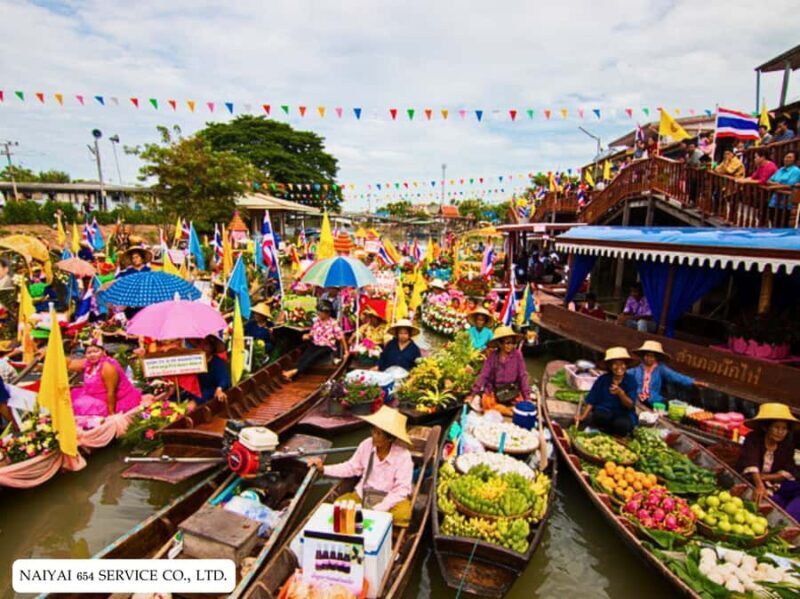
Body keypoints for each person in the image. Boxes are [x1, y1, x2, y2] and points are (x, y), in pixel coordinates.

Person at [312, 406, 414, 527]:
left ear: (390, 438)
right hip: (364, 494)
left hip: (390, 498)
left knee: (402, 515)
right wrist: (324, 469)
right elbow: (351, 467)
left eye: (379, 434)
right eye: (373, 431)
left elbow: (401, 489)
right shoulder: (366, 445)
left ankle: (393, 535)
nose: (374, 436)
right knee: (340, 506)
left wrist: (380, 508)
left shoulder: (403, 456)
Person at [737, 403, 799, 517]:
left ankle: (793, 518)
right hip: (753, 481)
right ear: (766, 427)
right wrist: (759, 484)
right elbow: (751, 463)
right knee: (775, 501)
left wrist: (766, 477)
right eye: (776, 427)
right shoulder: (753, 438)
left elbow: (790, 468)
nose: (780, 432)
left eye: (784, 429)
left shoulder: (786, 445)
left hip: (774, 482)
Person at [69, 339, 143, 417]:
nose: (92, 355)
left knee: (80, 404)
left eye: (95, 351)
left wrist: (112, 414)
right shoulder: (89, 363)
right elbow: (70, 364)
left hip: (113, 401)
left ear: (103, 353)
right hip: (96, 397)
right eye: (89, 353)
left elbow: (111, 392)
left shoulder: (107, 367)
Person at [578, 347, 639, 436]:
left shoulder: (631, 381)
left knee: (622, 425)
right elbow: (592, 399)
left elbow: (630, 405)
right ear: (610, 366)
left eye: (622, 364)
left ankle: (615, 432)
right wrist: (582, 417)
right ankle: (604, 430)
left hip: (623, 413)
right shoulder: (603, 379)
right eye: (615, 364)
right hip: (605, 411)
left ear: (626, 365)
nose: (619, 367)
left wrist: (620, 393)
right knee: (599, 416)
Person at [470, 326, 530, 415]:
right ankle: (507, 411)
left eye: (513, 343)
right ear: (500, 343)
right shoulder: (493, 356)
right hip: (494, 392)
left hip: (511, 391)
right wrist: (473, 393)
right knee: (486, 402)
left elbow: (523, 375)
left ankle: (507, 410)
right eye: (507, 343)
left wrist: (527, 397)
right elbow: (484, 375)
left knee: (521, 405)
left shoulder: (517, 355)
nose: (510, 346)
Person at [282, 300, 346, 381]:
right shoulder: (317, 322)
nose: (319, 313)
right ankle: (293, 375)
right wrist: (307, 336)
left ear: (327, 313)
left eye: (321, 312)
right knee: (305, 355)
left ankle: (294, 371)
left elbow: (341, 336)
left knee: (314, 355)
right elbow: (312, 334)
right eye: (319, 311)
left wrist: (346, 351)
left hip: (327, 346)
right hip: (315, 344)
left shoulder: (333, 323)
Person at [628, 340, 706, 407]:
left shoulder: (660, 369)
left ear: (656, 358)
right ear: (643, 356)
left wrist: (692, 382)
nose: (649, 358)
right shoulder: (636, 370)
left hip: (654, 399)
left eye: (652, 356)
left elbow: (675, 376)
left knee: (669, 405)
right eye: (647, 355)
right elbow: (625, 375)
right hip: (637, 398)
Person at [187, 335, 231, 408]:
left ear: (212, 347)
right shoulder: (194, 361)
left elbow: (223, 378)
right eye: (200, 344)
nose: (203, 347)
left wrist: (219, 389)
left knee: (191, 405)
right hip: (193, 392)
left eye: (206, 344)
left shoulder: (216, 362)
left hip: (209, 393)